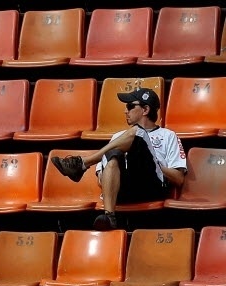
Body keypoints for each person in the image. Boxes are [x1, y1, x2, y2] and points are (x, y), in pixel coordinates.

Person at [50, 87, 187, 230]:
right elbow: (101, 180)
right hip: (123, 190)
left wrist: (154, 163)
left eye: (130, 106)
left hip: (152, 188)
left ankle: (84, 163)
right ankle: (109, 216)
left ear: (145, 110)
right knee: (114, 154)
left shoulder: (168, 135)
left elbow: (178, 178)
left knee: (137, 133)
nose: (125, 111)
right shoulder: (118, 137)